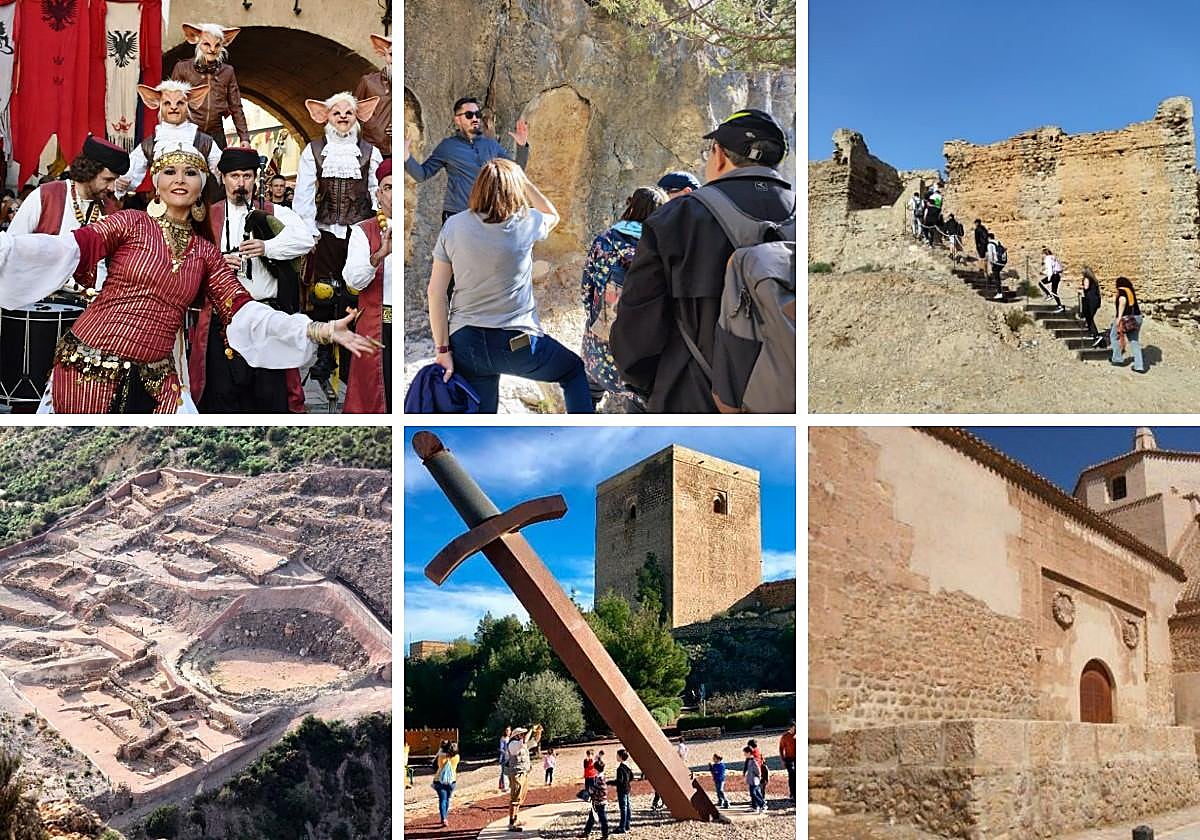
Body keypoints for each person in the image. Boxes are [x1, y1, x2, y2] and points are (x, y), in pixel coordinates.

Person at [0, 142, 375, 413]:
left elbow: (243, 311)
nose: (180, 179)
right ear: (157, 185)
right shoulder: (130, 222)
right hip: (89, 366)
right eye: (169, 171)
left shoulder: (205, 253)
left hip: (158, 378)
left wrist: (319, 330)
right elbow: (67, 248)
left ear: (201, 188)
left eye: (190, 172)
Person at [610, 108, 793, 413]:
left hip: (692, 394)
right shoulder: (806, 217)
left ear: (719, 154)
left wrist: (649, 386)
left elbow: (637, 327)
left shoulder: (676, 218)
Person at [427, 158, 592, 413]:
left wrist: (442, 350)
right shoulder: (526, 222)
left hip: (466, 343)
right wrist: (523, 181)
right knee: (572, 371)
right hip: (518, 342)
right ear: (515, 189)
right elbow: (553, 214)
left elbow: (436, 292)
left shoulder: (454, 225)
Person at [187, 147, 313, 413]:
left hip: (265, 314)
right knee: (222, 393)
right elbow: (186, 257)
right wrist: (218, 261)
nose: (240, 183)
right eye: (234, 176)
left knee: (269, 394)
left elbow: (305, 240)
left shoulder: (275, 212)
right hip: (222, 319)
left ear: (256, 179)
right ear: (222, 178)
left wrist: (268, 247)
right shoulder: (207, 215)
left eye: (246, 176)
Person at [294, 91, 383, 393]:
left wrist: (380, 226)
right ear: (325, 117)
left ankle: (350, 355)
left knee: (354, 292)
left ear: (358, 116)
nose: (343, 117)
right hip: (325, 230)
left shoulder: (370, 152)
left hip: (359, 232)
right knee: (323, 292)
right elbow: (304, 194)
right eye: (337, 113)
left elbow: (379, 191)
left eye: (349, 112)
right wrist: (308, 229)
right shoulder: (315, 150)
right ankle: (323, 353)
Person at [581, 186, 667, 412]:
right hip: (634, 349)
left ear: (630, 205)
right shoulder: (659, 249)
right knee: (637, 406)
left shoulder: (604, 240)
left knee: (588, 391)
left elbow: (586, 290)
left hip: (598, 339)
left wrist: (593, 319)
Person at [8, 136, 127, 294]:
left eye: (115, 180)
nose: (112, 187)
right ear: (89, 170)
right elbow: (11, 249)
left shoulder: (111, 208)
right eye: (107, 179)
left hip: (94, 306)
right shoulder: (46, 196)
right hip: (44, 305)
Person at [404, 96, 530, 223]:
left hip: (487, 214)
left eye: (477, 114)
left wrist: (522, 146)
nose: (475, 118)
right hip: (457, 215)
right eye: (469, 115)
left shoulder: (491, 145)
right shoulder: (448, 146)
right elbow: (422, 174)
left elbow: (515, 173)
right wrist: (405, 157)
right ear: (457, 120)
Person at [116, 82, 223, 202]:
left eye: (180, 103)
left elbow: (222, 168)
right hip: (161, 206)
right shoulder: (150, 144)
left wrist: (221, 170)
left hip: (196, 206)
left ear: (189, 105)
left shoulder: (204, 142)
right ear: (157, 104)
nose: (173, 107)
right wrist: (121, 184)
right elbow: (129, 172)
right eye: (167, 103)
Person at [343, 158, 393, 413]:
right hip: (378, 324)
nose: (394, 194)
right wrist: (378, 257)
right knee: (374, 394)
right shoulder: (364, 231)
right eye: (388, 187)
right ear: (379, 194)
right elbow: (353, 280)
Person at [170, 23, 250, 149]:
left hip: (216, 134)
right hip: (188, 132)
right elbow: (170, 101)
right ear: (196, 42)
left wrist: (244, 138)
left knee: (218, 168)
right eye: (206, 44)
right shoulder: (182, 68)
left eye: (217, 45)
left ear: (223, 45)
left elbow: (236, 106)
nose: (212, 49)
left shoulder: (227, 72)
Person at [354, 34, 393, 157]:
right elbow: (354, 113)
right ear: (384, 54)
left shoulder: (411, 86)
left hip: (403, 150)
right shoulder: (368, 81)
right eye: (392, 54)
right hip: (372, 150)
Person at [504, 725, 541, 831]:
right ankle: (511, 823)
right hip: (516, 774)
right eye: (522, 734)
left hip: (523, 773)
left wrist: (538, 732)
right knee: (515, 798)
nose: (523, 735)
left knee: (520, 798)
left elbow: (535, 741)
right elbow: (525, 741)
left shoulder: (522, 744)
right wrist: (531, 730)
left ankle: (515, 819)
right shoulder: (513, 744)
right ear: (517, 735)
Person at [1110, 276, 1146, 374]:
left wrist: (1119, 318)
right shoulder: (1130, 291)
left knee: (1114, 336)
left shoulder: (1122, 291)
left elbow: (1122, 301)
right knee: (1134, 341)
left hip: (1126, 319)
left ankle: (1117, 358)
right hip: (1137, 318)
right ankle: (1139, 366)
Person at [433, 740, 460, 828]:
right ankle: (445, 815)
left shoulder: (441, 757)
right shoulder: (457, 757)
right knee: (447, 799)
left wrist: (441, 748)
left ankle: (444, 818)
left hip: (439, 780)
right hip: (452, 781)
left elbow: (436, 764)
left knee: (442, 800)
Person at [583, 757, 609, 839]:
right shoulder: (601, 776)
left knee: (602, 818)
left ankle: (605, 834)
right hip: (598, 800)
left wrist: (591, 791)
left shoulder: (599, 778)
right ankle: (587, 832)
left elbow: (599, 790)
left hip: (599, 801)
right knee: (592, 816)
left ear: (595, 768)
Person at [1080, 266, 1105, 347]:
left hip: (1090, 300)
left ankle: (1096, 335)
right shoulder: (1094, 280)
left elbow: (1086, 287)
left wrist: (1081, 287)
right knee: (1089, 318)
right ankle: (1092, 333)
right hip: (1096, 299)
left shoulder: (1087, 278)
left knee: (1089, 318)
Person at [1040, 246, 1065, 313]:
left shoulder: (1047, 259)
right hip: (1057, 276)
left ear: (1044, 254)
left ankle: (1048, 295)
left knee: (1041, 283)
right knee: (1054, 291)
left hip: (1053, 276)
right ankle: (1060, 306)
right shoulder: (1053, 257)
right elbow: (1054, 267)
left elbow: (1050, 270)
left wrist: (1049, 277)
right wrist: (1044, 272)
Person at [614, 749, 634, 833]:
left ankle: (622, 827)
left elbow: (619, 781)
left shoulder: (620, 768)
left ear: (621, 757)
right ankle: (627, 825)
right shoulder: (628, 766)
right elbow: (632, 777)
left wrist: (610, 782)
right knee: (628, 807)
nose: (616, 757)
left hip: (622, 790)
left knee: (623, 808)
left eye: (617, 755)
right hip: (627, 788)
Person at [742, 745, 764, 813]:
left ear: (749, 753)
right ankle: (756, 807)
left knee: (753, 794)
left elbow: (758, 771)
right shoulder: (749, 760)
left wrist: (759, 777)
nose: (744, 754)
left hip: (754, 781)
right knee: (756, 793)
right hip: (751, 781)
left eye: (745, 753)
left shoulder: (753, 761)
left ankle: (762, 804)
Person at [986, 232, 1006, 300]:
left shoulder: (990, 244)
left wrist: (991, 263)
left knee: (996, 277)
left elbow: (991, 255)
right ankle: (1000, 291)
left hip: (996, 262)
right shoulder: (998, 242)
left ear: (989, 238)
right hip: (1002, 262)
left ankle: (999, 293)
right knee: (997, 275)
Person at [779, 723, 796, 802]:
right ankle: (793, 794)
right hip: (789, 759)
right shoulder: (785, 737)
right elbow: (781, 748)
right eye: (793, 728)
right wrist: (782, 760)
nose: (794, 729)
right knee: (792, 775)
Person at [498, 725, 511, 793]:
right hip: (504, 758)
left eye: (509, 730)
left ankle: (502, 785)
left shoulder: (510, 738)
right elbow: (501, 749)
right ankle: (504, 787)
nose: (508, 732)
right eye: (507, 730)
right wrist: (505, 753)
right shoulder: (503, 739)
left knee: (506, 772)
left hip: (509, 757)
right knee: (504, 772)